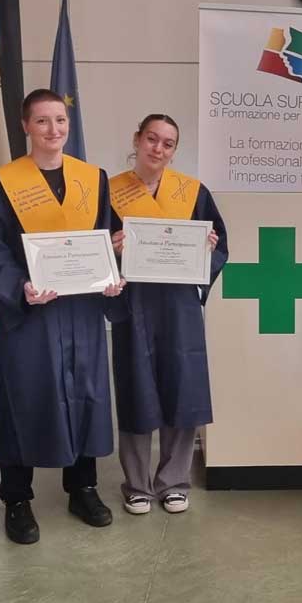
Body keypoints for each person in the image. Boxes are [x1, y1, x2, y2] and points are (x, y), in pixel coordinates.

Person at [0, 89, 123, 543]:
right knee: (23, 397)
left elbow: (105, 235)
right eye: (41, 121)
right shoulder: (2, 183)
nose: (52, 129)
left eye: (59, 120)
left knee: (86, 393)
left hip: (80, 309)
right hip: (31, 313)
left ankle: (83, 488)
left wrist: (111, 271)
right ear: (26, 126)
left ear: (68, 124)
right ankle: (17, 498)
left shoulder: (93, 179)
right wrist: (20, 287)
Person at [107, 114, 227, 515]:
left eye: (168, 143)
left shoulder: (192, 192)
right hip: (134, 304)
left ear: (175, 150)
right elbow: (95, 248)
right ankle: (136, 484)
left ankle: (174, 481)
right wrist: (111, 248)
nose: (158, 149)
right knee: (136, 389)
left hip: (179, 306)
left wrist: (207, 250)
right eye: (151, 139)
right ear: (137, 140)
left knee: (182, 386)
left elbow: (219, 246)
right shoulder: (109, 192)